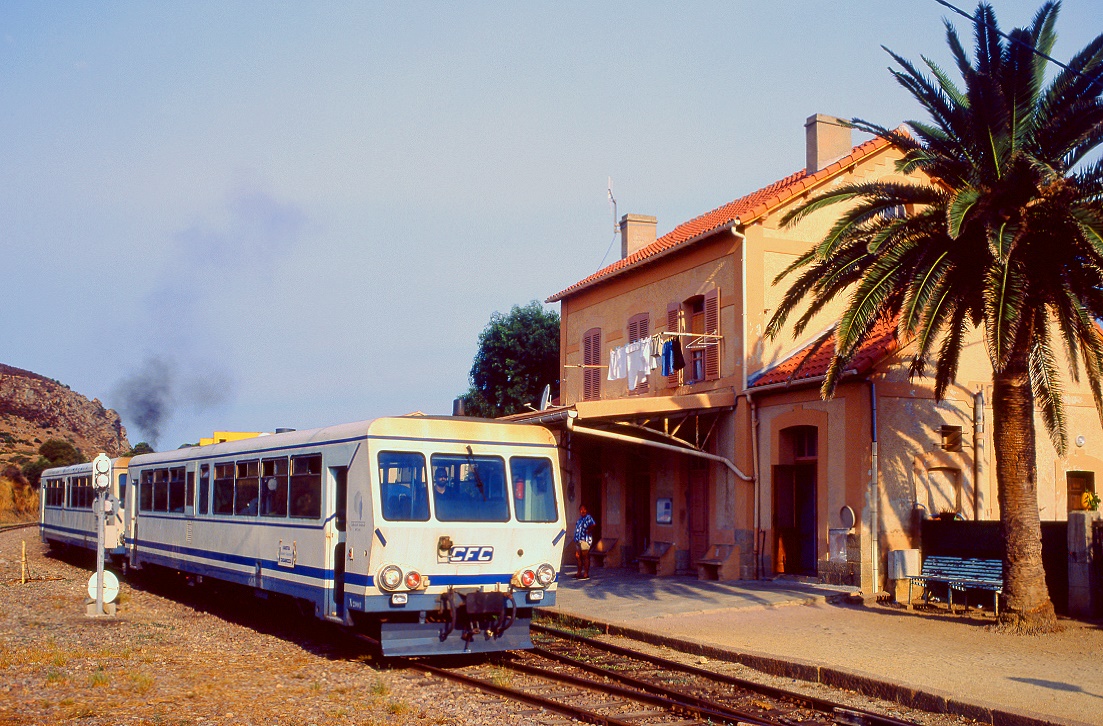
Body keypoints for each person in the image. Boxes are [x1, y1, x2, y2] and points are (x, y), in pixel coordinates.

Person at [573, 504, 596, 580]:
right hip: (578, 540)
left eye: (584, 509)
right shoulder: (579, 520)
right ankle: (579, 573)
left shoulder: (588, 518)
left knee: (585, 556)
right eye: (581, 509)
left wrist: (588, 531)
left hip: (585, 540)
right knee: (578, 556)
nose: (582, 511)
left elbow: (593, 524)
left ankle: (586, 574)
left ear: (586, 510)